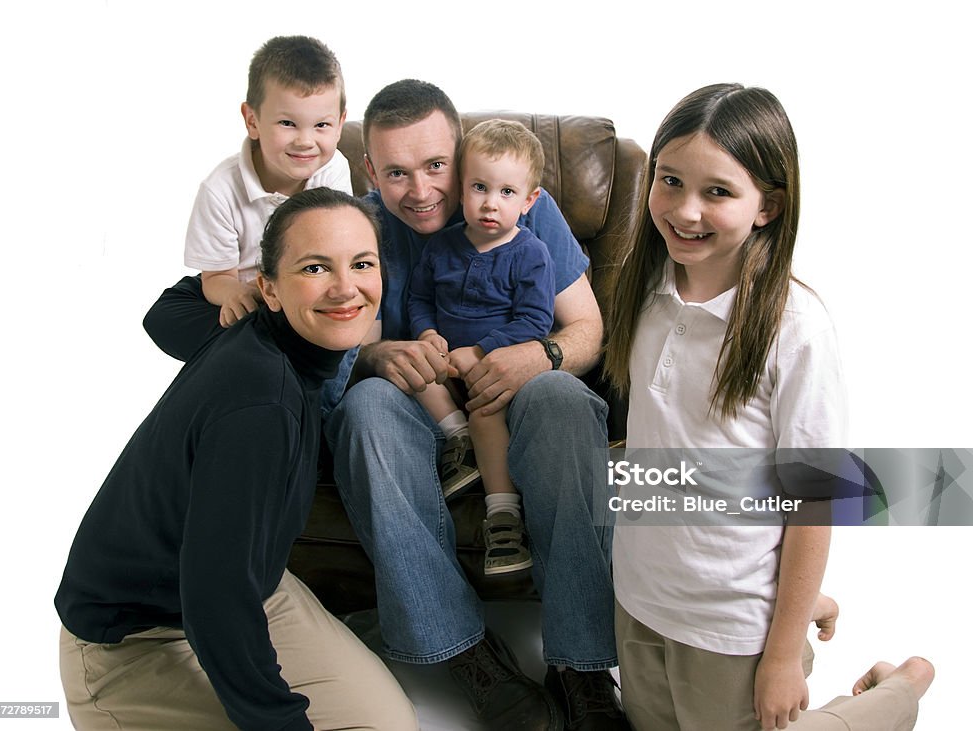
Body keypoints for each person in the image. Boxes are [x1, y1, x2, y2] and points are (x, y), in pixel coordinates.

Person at [603, 83, 932, 731]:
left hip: (732, 629)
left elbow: (815, 501)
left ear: (768, 206)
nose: (685, 210)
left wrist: (781, 653)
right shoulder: (643, 291)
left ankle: (905, 683)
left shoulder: (796, 328)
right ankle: (805, 604)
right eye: (669, 180)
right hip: (641, 600)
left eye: (718, 191)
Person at [324, 80, 628, 730]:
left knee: (565, 398)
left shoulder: (512, 203)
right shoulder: (360, 227)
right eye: (397, 173)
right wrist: (380, 358)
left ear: (461, 156)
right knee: (365, 407)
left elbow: (587, 329)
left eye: (437, 166)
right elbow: (354, 347)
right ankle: (468, 656)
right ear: (370, 171)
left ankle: (582, 666)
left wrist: (538, 355)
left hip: (519, 394)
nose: (422, 190)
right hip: (424, 409)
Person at [55, 188, 416, 731]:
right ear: (268, 288)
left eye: (362, 263)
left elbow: (174, 305)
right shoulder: (259, 404)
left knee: (390, 724)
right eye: (316, 267)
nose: (347, 288)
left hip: (253, 587)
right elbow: (214, 600)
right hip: (133, 642)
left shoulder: (258, 330)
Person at [407, 119, 555, 575]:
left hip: (493, 365)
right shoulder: (441, 246)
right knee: (413, 371)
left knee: (486, 410)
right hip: (445, 359)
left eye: (507, 193)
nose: (491, 203)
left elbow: (536, 320)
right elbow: (420, 299)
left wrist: (483, 350)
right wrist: (427, 334)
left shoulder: (531, 254)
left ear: (529, 201)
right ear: (460, 188)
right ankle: (458, 438)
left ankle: (503, 517)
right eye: (479, 188)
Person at [184, 35, 353, 327]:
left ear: (340, 124)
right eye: (287, 124)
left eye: (321, 125)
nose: (305, 141)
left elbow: (336, 247)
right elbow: (215, 278)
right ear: (252, 121)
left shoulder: (334, 168)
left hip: (310, 291)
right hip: (253, 298)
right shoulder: (220, 191)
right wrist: (237, 293)